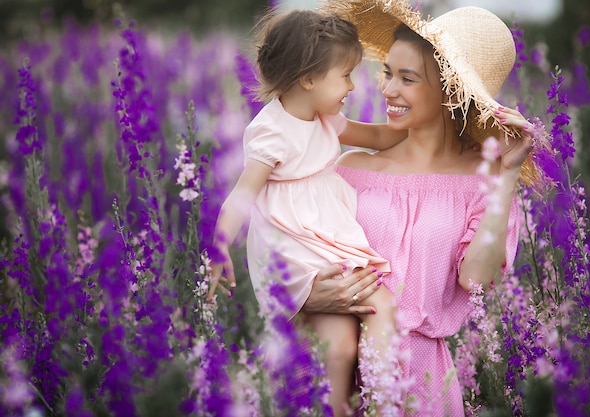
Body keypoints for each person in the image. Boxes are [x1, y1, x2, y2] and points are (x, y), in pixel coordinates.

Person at [301, 0, 551, 415]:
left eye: (407, 78)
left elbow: (476, 280)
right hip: (336, 370)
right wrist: (309, 296)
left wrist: (507, 176)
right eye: (387, 73)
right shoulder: (350, 168)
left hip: (424, 381)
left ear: (451, 90)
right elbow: (298, 260)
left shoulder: (483, 182)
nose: (387, 90)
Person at [208, 8, 407, 416]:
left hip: (326, 238)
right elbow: (242, 195)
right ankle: (373, 405)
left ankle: (354, 404)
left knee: (342, 345)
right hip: (295, 251)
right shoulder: (272, 133)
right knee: (376, 308)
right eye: (346, 74)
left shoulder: (325, 118)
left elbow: (379, 137)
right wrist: (220, 246)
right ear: (309, 78)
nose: (353, 85)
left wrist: (435, 120)